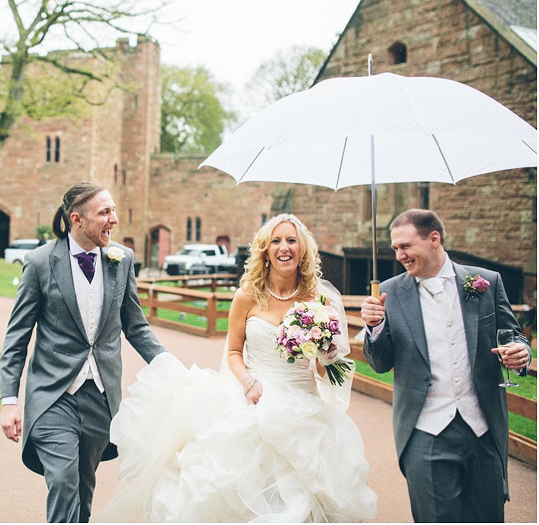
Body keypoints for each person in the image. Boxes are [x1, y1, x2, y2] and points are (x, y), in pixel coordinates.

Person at [96, 214, 378, 522]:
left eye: (291, 240)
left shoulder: (320, 300)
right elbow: (232, 351)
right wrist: (247, 382)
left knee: (307, 494)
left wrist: (327, 353)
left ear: (303, 250)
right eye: (276, 241)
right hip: (254, 398)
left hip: (305, 407)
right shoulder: (247, 296)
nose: (284, 247)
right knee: (234, 486)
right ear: (265, 251)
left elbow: (325, 371)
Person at [0, 181, 166, 523]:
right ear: (77, 219)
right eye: (105, 212)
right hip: (52, 395)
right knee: (63, 479)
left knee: (84, 486)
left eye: (114, 210)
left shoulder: (122, 259)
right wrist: (9, 401)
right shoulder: (41, 262)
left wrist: (170, 366)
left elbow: (136, 327)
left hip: (100, 397)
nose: (114, 219)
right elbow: (17, 337)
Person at [361, 208, 530, 522]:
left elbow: (515, 335)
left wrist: (521, 352)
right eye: (395, 248)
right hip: (425, 430)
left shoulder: (486, 283)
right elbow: (380, 363)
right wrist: (374, 327)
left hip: (484, 428)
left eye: (405, 246)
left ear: (434, 239)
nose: (399, 255)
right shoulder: (388, 293)